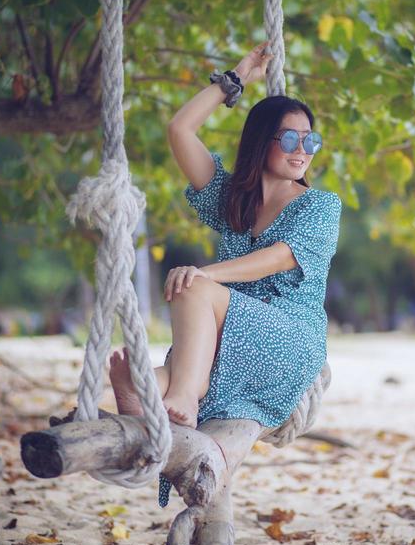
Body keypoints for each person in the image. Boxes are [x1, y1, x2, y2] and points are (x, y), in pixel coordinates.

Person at [109, 41, 342, 449]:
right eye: (290, 140)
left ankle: (182, 395)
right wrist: (233, 80)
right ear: (261, 141)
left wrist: (204, 276)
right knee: (174, 360)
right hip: (226, 339)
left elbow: (279, 258)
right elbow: (179, 130)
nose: (302, 150)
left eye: (311, 140)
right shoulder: (233, 199)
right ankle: (141, 391)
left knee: (190, 285)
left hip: (288, 341)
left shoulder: (319, 206)